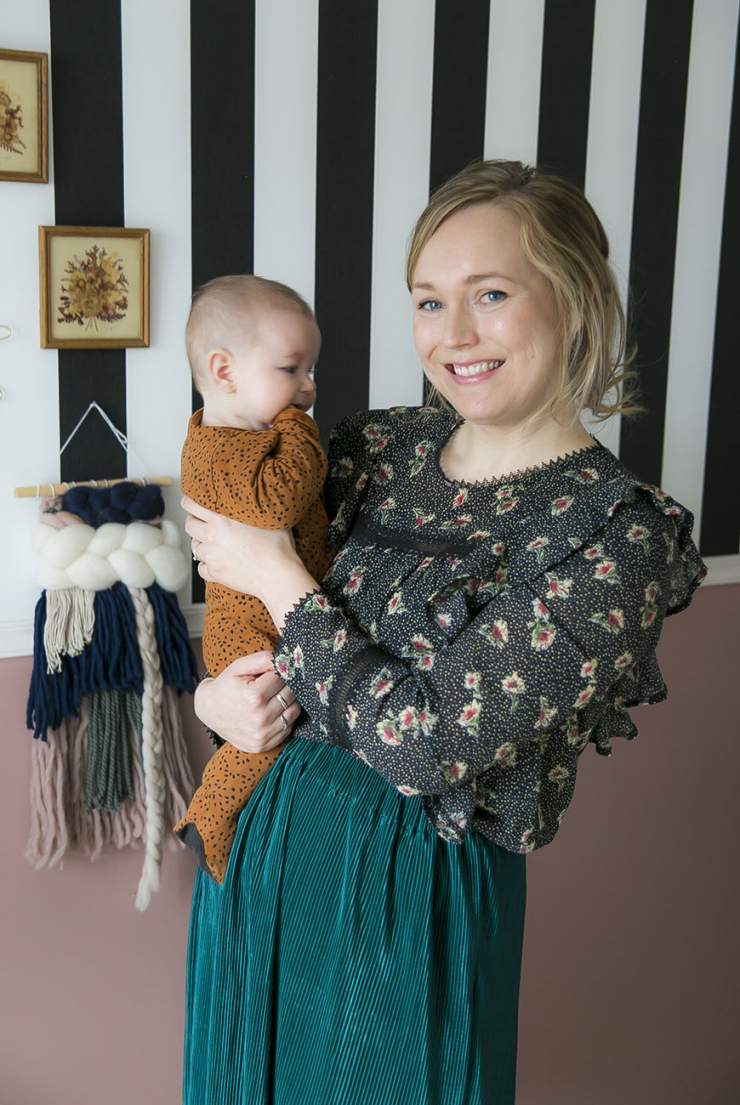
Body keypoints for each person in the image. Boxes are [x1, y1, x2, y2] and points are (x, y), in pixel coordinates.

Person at [181, 161, 706, 1105]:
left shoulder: (618, 533)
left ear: (577, 298)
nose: (452, 335)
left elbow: (431, 743)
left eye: (490, 294)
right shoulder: (367, 447)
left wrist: (280, 576)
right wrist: (212, 697)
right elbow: (232, 581)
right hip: (262, 845)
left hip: (407, 893)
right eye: (429, 301)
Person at [175, 274, 332, 883]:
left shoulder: (247, 436)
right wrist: (298, 428)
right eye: (292, 369)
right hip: (249, 633)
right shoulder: (216, 450)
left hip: (272, 616)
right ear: (224, 370)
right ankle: (207, 818)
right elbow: (278, 503)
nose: (308, 388)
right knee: (258, 738)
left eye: (310, 370)